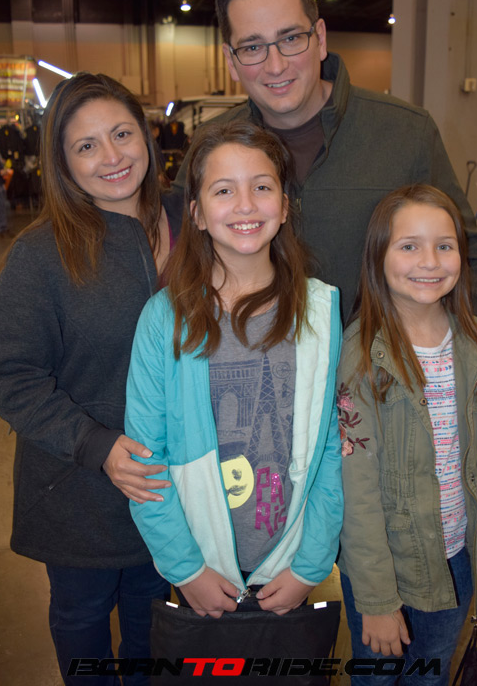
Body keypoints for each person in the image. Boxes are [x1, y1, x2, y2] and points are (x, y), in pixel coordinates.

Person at [166, 0, 477, 451]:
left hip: (389, 415)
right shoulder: (210, 150)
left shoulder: (404, 134)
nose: (275, 64)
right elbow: (177, 267)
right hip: (258, 427)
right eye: (253, 47)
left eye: (291, 38)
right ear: (230, 59)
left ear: (320, 36)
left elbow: (468, 252)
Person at [0, 73, 174, 686]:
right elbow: (13, 376)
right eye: (86, 146)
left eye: (122, 134)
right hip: (79, 492)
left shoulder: (194, 222)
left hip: (172, 486)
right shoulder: (40, 255)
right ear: (62, 162)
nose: (112, 156)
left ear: (145, 136)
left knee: (155, 626)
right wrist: (96, 445)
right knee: (84, 621)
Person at [124, 120, 343, 623]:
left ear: (284, 205)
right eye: (224, 190)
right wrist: (186, 569)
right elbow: (145, 459)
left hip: (289, 565)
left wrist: (310, 565)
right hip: (200, 566)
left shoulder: (320, 310)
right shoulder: (164, 319)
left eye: (262, 187)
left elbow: (331, 450)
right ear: (197, 214)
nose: (245, 205)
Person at [336, 184, 477, 685]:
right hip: (387, 565)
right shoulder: (360, 357)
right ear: (378, 255)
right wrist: (377, 600)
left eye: (444, 245)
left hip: (458, 555)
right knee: (376, 677)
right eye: (409, 246)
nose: (430, 261)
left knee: (431, 675)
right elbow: (357, 491)